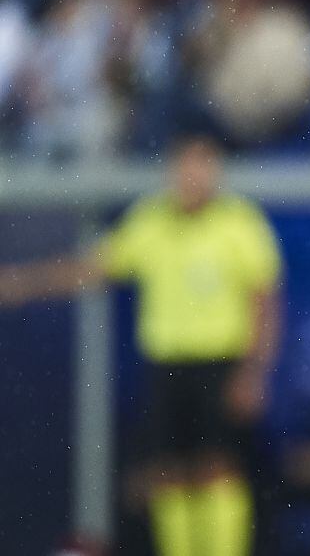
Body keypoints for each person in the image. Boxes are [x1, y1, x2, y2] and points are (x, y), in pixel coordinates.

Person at [0, 135, 283, 556]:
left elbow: (265, 300)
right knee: (167, 472)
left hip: (219, 362)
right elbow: (96, 266)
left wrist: (253, 372)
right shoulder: (152, 221)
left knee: (218, 468)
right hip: (167, 365)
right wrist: (25, 283)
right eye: (186, 166)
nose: (194, 177)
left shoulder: (239, 223)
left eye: (203, 166)